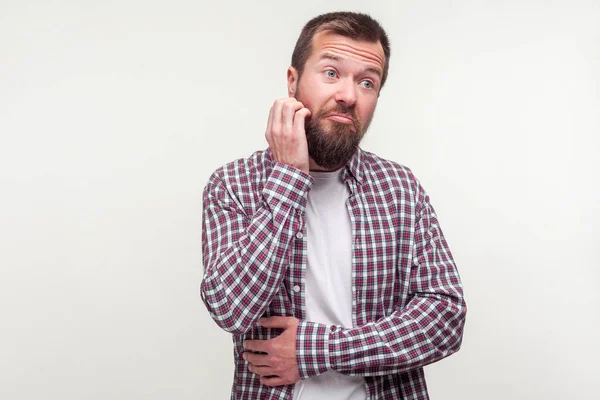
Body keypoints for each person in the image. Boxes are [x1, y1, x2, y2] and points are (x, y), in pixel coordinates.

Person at [201, 11, 466, 400]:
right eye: (330, 73)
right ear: (292, 83)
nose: (348, 94)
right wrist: (290, 176)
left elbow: (445, 319)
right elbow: (231, 308)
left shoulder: (401, 189)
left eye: (367, 82)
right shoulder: (233, 184)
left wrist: (317, 349)